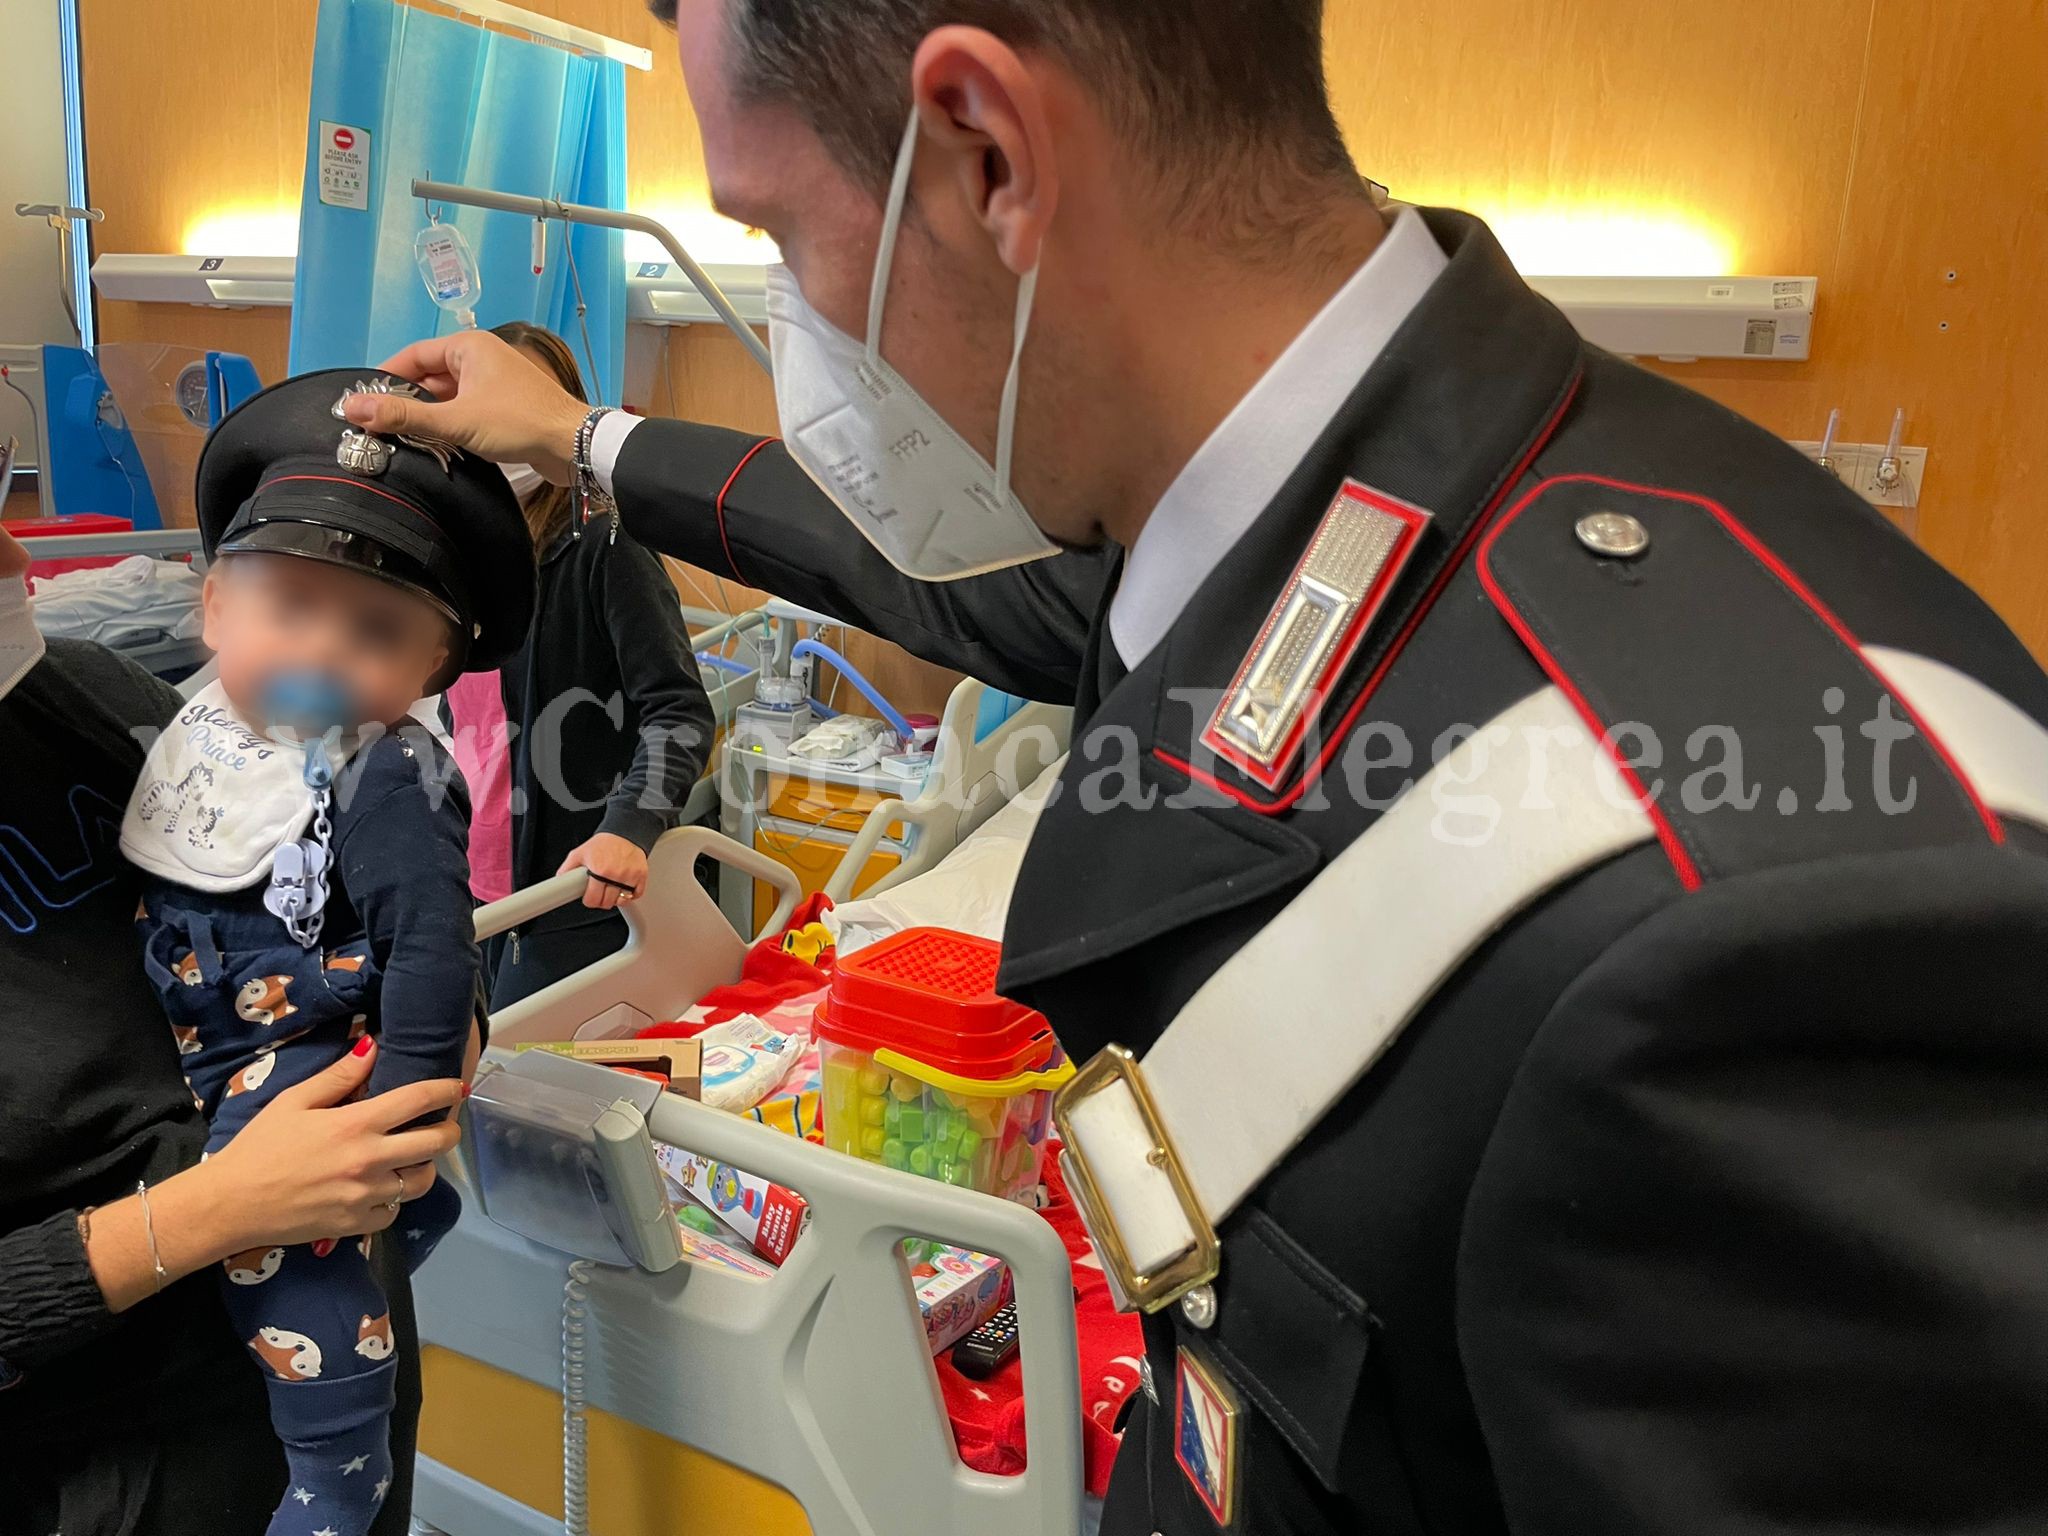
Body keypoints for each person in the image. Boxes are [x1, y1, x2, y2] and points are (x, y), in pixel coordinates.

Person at [340, 2, 2048, 1531]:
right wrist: (581, 437)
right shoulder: (1305, 520)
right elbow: (947, 584)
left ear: (985, 151)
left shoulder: (1773, 907)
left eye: (779, 231)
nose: (788, 301)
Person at [120, 368, 534, 1536]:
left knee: (289, 1279)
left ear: (430, 675)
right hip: (208, 1037)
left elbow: (432, 946)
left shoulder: (384, 769)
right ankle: (406, 1230)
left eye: (376, 635)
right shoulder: (193, 727)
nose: (322, 652)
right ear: (213, 610)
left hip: (302, 1056)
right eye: (288, 607)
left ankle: (335, 1474)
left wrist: (404, 1106)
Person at [0, 525, 466, 1536]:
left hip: (332, 1342)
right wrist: (210, 1210)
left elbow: (353, 898)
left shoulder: (99, 699)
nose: (14, 552)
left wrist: (429, 1027)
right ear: (216, 604)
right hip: (106, 1463)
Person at [457, 320, 715, 1009]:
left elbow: (680, 710)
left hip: (569, 889)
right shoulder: (457, 558)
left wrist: (627, 827)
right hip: (471, 884)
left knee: (535, 1096)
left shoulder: (603, 544)